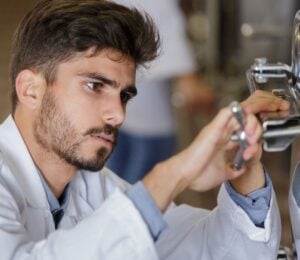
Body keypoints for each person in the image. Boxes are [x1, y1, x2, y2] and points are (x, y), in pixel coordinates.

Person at [0, 0, 282, 259]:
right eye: (95, 86)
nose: (119, 115)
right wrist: (174, 173)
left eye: (124, 95)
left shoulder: (98, 189)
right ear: (31, 90)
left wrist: (242, 162)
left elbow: (209, 251)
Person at [107, 0, 216, 183]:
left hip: (119, 108)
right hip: (145, 119)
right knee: (135, 196)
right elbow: (164, 21)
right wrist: (187, 75)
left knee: (111, 191)